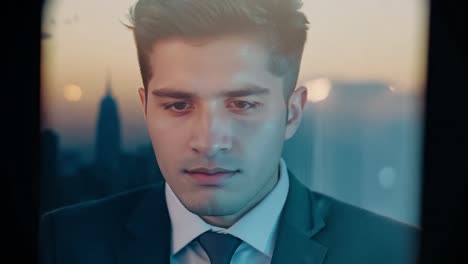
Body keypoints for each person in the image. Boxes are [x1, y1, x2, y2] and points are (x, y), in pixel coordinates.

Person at [39, 0, 420, 263]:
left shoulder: (396, 251)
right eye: (178, 105)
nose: (208, 141)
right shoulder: (62, 242)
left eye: (241, 105)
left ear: (292, 113)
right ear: (145, 108)